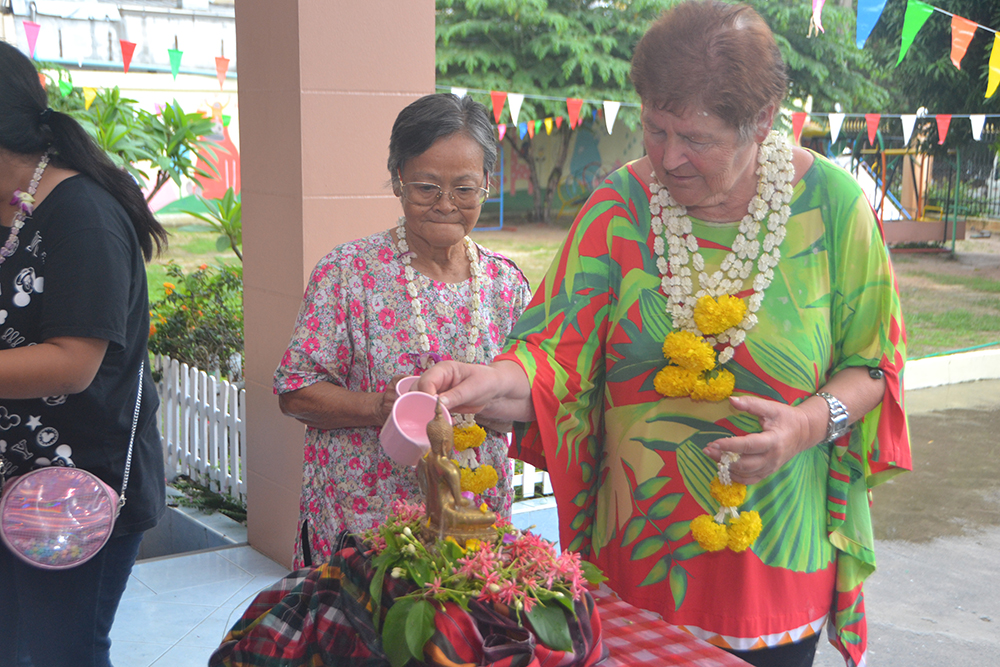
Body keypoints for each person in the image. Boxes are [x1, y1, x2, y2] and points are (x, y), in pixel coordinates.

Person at [416, 3, 910, 667]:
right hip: (638, 563)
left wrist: (807, 424)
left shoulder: (834, 209)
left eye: (696, 139)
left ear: (761, 123)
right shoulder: (618, 208)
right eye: (655, 128)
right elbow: (551, 356)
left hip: (774, 569)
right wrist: (490, 379)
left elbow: (873, 365)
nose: (668, 156)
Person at [274, 93, 531, 568]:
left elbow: (534, 403)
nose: (446, 204)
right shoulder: (349, 273)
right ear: (396, 179)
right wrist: (379, 407)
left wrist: (486, 406)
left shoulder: (507, 285)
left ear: (488, 185)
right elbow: (294, 390)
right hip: (362, 526)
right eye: (426, 186)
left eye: (464, 188)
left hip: (473, 525)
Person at [0, 42, 166, 667]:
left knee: (58, 652)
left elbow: (72, 363)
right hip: (12, 473)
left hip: (75, 491)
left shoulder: (82, 217)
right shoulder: (9, 207)